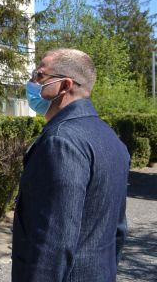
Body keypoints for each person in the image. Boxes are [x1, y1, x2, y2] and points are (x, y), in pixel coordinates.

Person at [12, 48, 130, 281]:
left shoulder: (60, 141)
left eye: (39, 75)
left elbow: (52, 242)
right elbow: (118, 230)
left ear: (65, 85)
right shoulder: (111, 139)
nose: (32, 82)